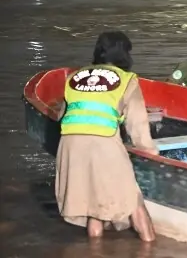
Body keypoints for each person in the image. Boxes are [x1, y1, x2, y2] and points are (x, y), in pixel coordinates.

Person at [55, 31, 158, 242]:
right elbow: (136, 121)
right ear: (124, 55)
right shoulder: (126, 79)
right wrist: (148, 149)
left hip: (70, 145)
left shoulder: (75, 76)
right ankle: (149, 246)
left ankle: (95, 251)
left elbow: (61, 115)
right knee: (133, 200)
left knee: (94, 208)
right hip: (103, 143)